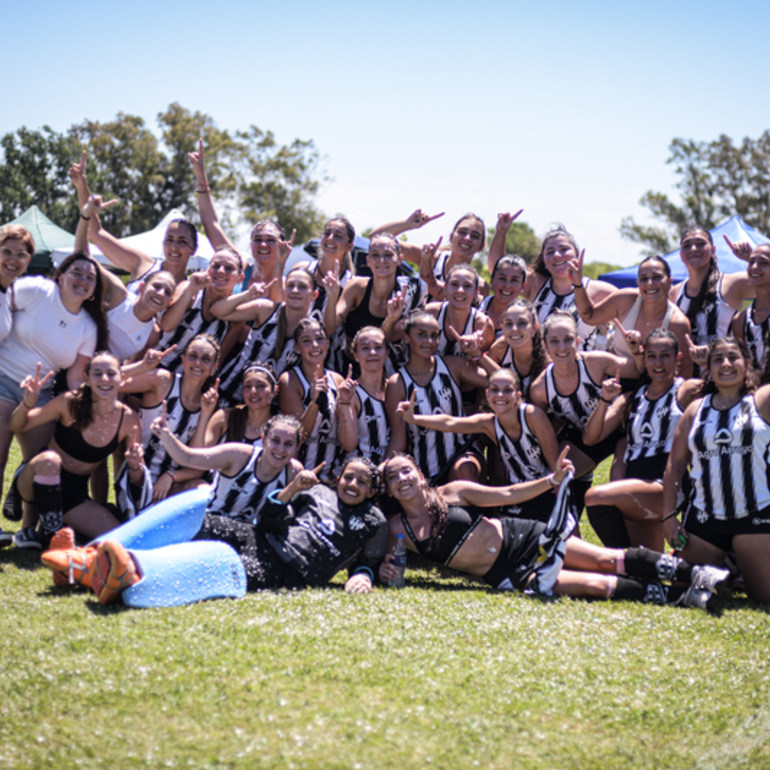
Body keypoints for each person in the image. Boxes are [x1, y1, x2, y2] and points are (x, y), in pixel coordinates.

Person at [380, 453, 728, 609]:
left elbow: (508, 494)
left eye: (406, 471)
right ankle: (682, 597)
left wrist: (551, 481)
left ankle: (697, 574)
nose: (402, 479)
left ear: (420, 474)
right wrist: (380, 571)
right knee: (594, 586)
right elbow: (383, 559)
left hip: (525, 537)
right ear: (390, 491)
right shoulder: (399, 530)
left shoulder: (452, 492)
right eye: (393, 477)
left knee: (607, 560)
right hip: (509, 573)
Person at [42, 456, 387, 605]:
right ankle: (84, 557)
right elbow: (268, 521)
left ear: (372, 491)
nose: (353, 484)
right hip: (262, 537)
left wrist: (365, 577)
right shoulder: (316, 491)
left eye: (363, 481)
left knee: (223, 562)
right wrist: (291, 490)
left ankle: (126, 575)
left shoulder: (374, 521)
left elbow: (368, 563)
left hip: (288, 570)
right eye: (349, 476)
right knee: (197, 513)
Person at [662, 337, 770, 602]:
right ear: (708, 368)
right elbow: (675, 466)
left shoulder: (763, 400)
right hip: (704, 520)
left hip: (755, 516)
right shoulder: (696, 409)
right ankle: (731, 571)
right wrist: (668, 516)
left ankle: (737, 568)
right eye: (718, 359)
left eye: (733, 357)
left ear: (747, 363)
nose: (726, 364)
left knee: (763, 599)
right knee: (687, 594)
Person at [3, 354, 144, 549]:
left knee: (119, 539)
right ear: (86, 378)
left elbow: (137, 480)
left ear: (121, 378)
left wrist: (136, 465)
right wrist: (28, 402)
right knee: (50, 461)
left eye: (111, 373)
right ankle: (51, 533)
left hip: (74, 494)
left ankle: (56, 524)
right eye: (97, 373)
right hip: (37, 477)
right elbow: (17, 425)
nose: (105, 379)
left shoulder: (129, 420)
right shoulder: (70, 402)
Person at [0, 250, 107, 503]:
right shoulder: (36, 289)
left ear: (93, 290)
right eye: (76, 272)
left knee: (41, 461)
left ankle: (28, 527)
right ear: (60, 277)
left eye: (90, 278)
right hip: (2, 378)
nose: (82, 279)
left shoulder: (88, 328)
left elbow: (73, 378)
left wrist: (86, 408)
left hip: (41, 395)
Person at [582, 329, 700, 551]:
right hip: (634, 488)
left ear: (678, 358)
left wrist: (705, 366)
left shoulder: (686, 390)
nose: (659, 362)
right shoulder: (631, 398)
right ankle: (638, 570)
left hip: (665, 485)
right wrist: (605, 400)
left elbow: (727, 392)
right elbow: (590, 437)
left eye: (665, 355)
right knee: (649, 571)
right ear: (643, 359)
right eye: (652, 356)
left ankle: (628, 564)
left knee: (595, 496)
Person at [397, 368, 564, 523]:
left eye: (507, 390)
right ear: (487, 394)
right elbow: (451, 423)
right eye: (494, 389)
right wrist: (414, 419)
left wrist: (559, 489)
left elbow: (555, 463)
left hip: (547, 488)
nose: (500, 395)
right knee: (509, 544)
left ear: (518, 395)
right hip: (518, 493)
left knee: (565, 543)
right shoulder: (488, 423)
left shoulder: (532, 416)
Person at [384, 310, 497, 483]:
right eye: (421, 335)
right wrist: (384, 472)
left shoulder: (452, 365)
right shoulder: (396, 383)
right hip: (423, 466)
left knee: (465, 471)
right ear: (406, 337)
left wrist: (477, 354)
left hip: (462, 454)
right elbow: (399, 438)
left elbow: (504, 383)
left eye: (434, 336)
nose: (429, 341)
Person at [69, 150, 198, 290]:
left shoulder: (193, 291)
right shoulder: (143, 265)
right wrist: (82, 187)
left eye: (183, 242)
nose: (174, 246)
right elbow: (96, 233)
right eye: (169, 239)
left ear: (194, 249)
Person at [152, 407, 302, 525]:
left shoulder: (294, 472)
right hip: (209, 522)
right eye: (275, 441)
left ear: (296, 448)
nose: (281, 449)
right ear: (263, 440)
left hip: (247, 536)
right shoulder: (237, 456)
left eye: (288, 444)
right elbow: (188, 457)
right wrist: (166, 435)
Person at [189, 139, 291, 303]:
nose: (263, 244)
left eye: (270, 240)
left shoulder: (288, 286)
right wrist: (201, 177)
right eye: (258, 239)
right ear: (250, 245)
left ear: (283, 246)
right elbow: (211, 225)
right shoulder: (238, 266)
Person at [120, 335, 220, 501]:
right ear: (183, 359)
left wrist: (205, 414)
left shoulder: (209, 404)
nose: (198, 363)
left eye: (206, 359)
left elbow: (196, 464)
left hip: (169, 486)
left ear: (214, 368)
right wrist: (142, 366)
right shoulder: (163, 380)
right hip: (137, 473)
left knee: (204, 491)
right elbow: (113, 382)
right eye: (193, 356)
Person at [529, 311, 625, 478]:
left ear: (578, 341)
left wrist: (636, 352)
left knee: (619, 478)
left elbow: (638, 369)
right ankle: (577, 495)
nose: (562, 347)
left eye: (568, 339)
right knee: (557, 475)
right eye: (554, 341)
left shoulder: (597, 363)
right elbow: (544, 429)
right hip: (584, 434)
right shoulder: (540, 389)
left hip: (620, 427)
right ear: (545, 345)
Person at [570, 255, 693, 383]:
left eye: (657, 277)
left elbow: (685, 373)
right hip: (613, 383)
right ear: (638, 284)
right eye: (644, 279)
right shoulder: (625, 300)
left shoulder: (678, 323)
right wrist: (578, 284)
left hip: (656, 391)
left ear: (669, 282)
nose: (650, 283)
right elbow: (589, 316)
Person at [211, 266, 318, 406]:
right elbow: (217, 311)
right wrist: (248, 294)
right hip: (228, 392)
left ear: (314, 295)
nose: (295, 291)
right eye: (290, 285)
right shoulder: (266, 310)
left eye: (303, 287)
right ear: (284, 289)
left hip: (268, 408)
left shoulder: (311, 331)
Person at [323, 232, 428, 371]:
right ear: (368, 260)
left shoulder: (412, 292)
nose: (382, 261)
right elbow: (329, 328)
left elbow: (385, 339)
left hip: (390, 372)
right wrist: (332, 296)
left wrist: (391, 320)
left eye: (388, 255)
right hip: (350, 369)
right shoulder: (357, 286)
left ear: (399, 259)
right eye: (375, 255)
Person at [518, 225, 616, 350]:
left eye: (564, 249)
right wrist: (502, 231)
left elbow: (633, 309)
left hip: (581, 367)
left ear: (577, 254)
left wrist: (616, 351)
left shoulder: (598, 290)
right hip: (541, 368)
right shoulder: (536, 284)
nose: (557, 255)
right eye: (550, 252)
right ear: (544, 261)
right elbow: (500, 269)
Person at [153, 248, 246, 373]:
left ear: (240, 278)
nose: (221, 271)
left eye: (229, 268)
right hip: (155, 365)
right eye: (216, 265)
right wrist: (191, 289)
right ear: (208, 269)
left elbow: (216, 363)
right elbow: (166, 325)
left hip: (189, 381)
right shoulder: (190, 290)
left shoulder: (236, 315)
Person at [278, 319, 344, 482]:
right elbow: (298, 436)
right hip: (299, 475)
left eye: (320, 339)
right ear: (296, 348)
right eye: (306, 341)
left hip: (332, 476)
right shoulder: (290, 381)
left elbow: (347, 439)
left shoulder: (337, 380)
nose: (315, 345)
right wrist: (315, 402)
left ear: (328, 344)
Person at [370, 210, 486, 300]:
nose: (467, 238)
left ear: (481, 246)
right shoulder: (432, 258)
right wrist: (407, 224)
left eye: (475, 236)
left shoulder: (479, 285)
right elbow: (375, 238)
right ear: (451, 237)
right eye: (462, 232)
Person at [671, 227, 755, 348]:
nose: (693, 249)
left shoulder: (733, 283)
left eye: (700, 243)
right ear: (681, 255)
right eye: (687, 245)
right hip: (687, 366)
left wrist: (752, 258)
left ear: (713, 250)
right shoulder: (675, 293)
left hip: (726, 365)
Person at [336, 327, 390, 466]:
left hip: (391, 471)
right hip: (360, 472)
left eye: (378, 347)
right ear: (355, 355)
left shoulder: (395, 388)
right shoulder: (350, 393)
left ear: (387, 353)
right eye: (365, 348)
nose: (372, 352)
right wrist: (344, 403)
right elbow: (349, 445)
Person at [192, 364, 277, 448]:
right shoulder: (225, 417)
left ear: (275, 391)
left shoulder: (278, 429)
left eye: (261, 386)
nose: (253, 391)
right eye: (247, 386)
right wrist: (205, 413)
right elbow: (196, 454)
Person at [425, 264, 495, 357]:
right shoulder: (429, 313)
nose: (460, 290)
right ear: (445, 289)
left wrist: (474, 350)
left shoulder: (483, 325)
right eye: (454, 284)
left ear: (476, 293)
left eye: (467, 285)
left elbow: (483, 364)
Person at [488, 298, 549, 400]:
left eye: (522, 323)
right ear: (502, 328)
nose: (514, 329)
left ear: (535, 328)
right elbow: (487, 385)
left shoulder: (547, 358)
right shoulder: (500, 348)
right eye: (509, 324)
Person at [731, 244, 770, 372]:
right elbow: (745, 365)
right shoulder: (740, 320)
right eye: (751, 262)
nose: (754, 267)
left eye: (763, 263)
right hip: (756, 389)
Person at [0, 224, 34, 345]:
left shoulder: (10, 295)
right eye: (7, 252)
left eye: (21, 255)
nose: (13, 260)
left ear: (28, 260)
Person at [479, 254, 529, 337]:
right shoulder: (476, 305)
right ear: (492, 280)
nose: (507, 286)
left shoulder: (525, 321)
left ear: (523, 286)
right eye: (502, 278)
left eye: (514, 280)